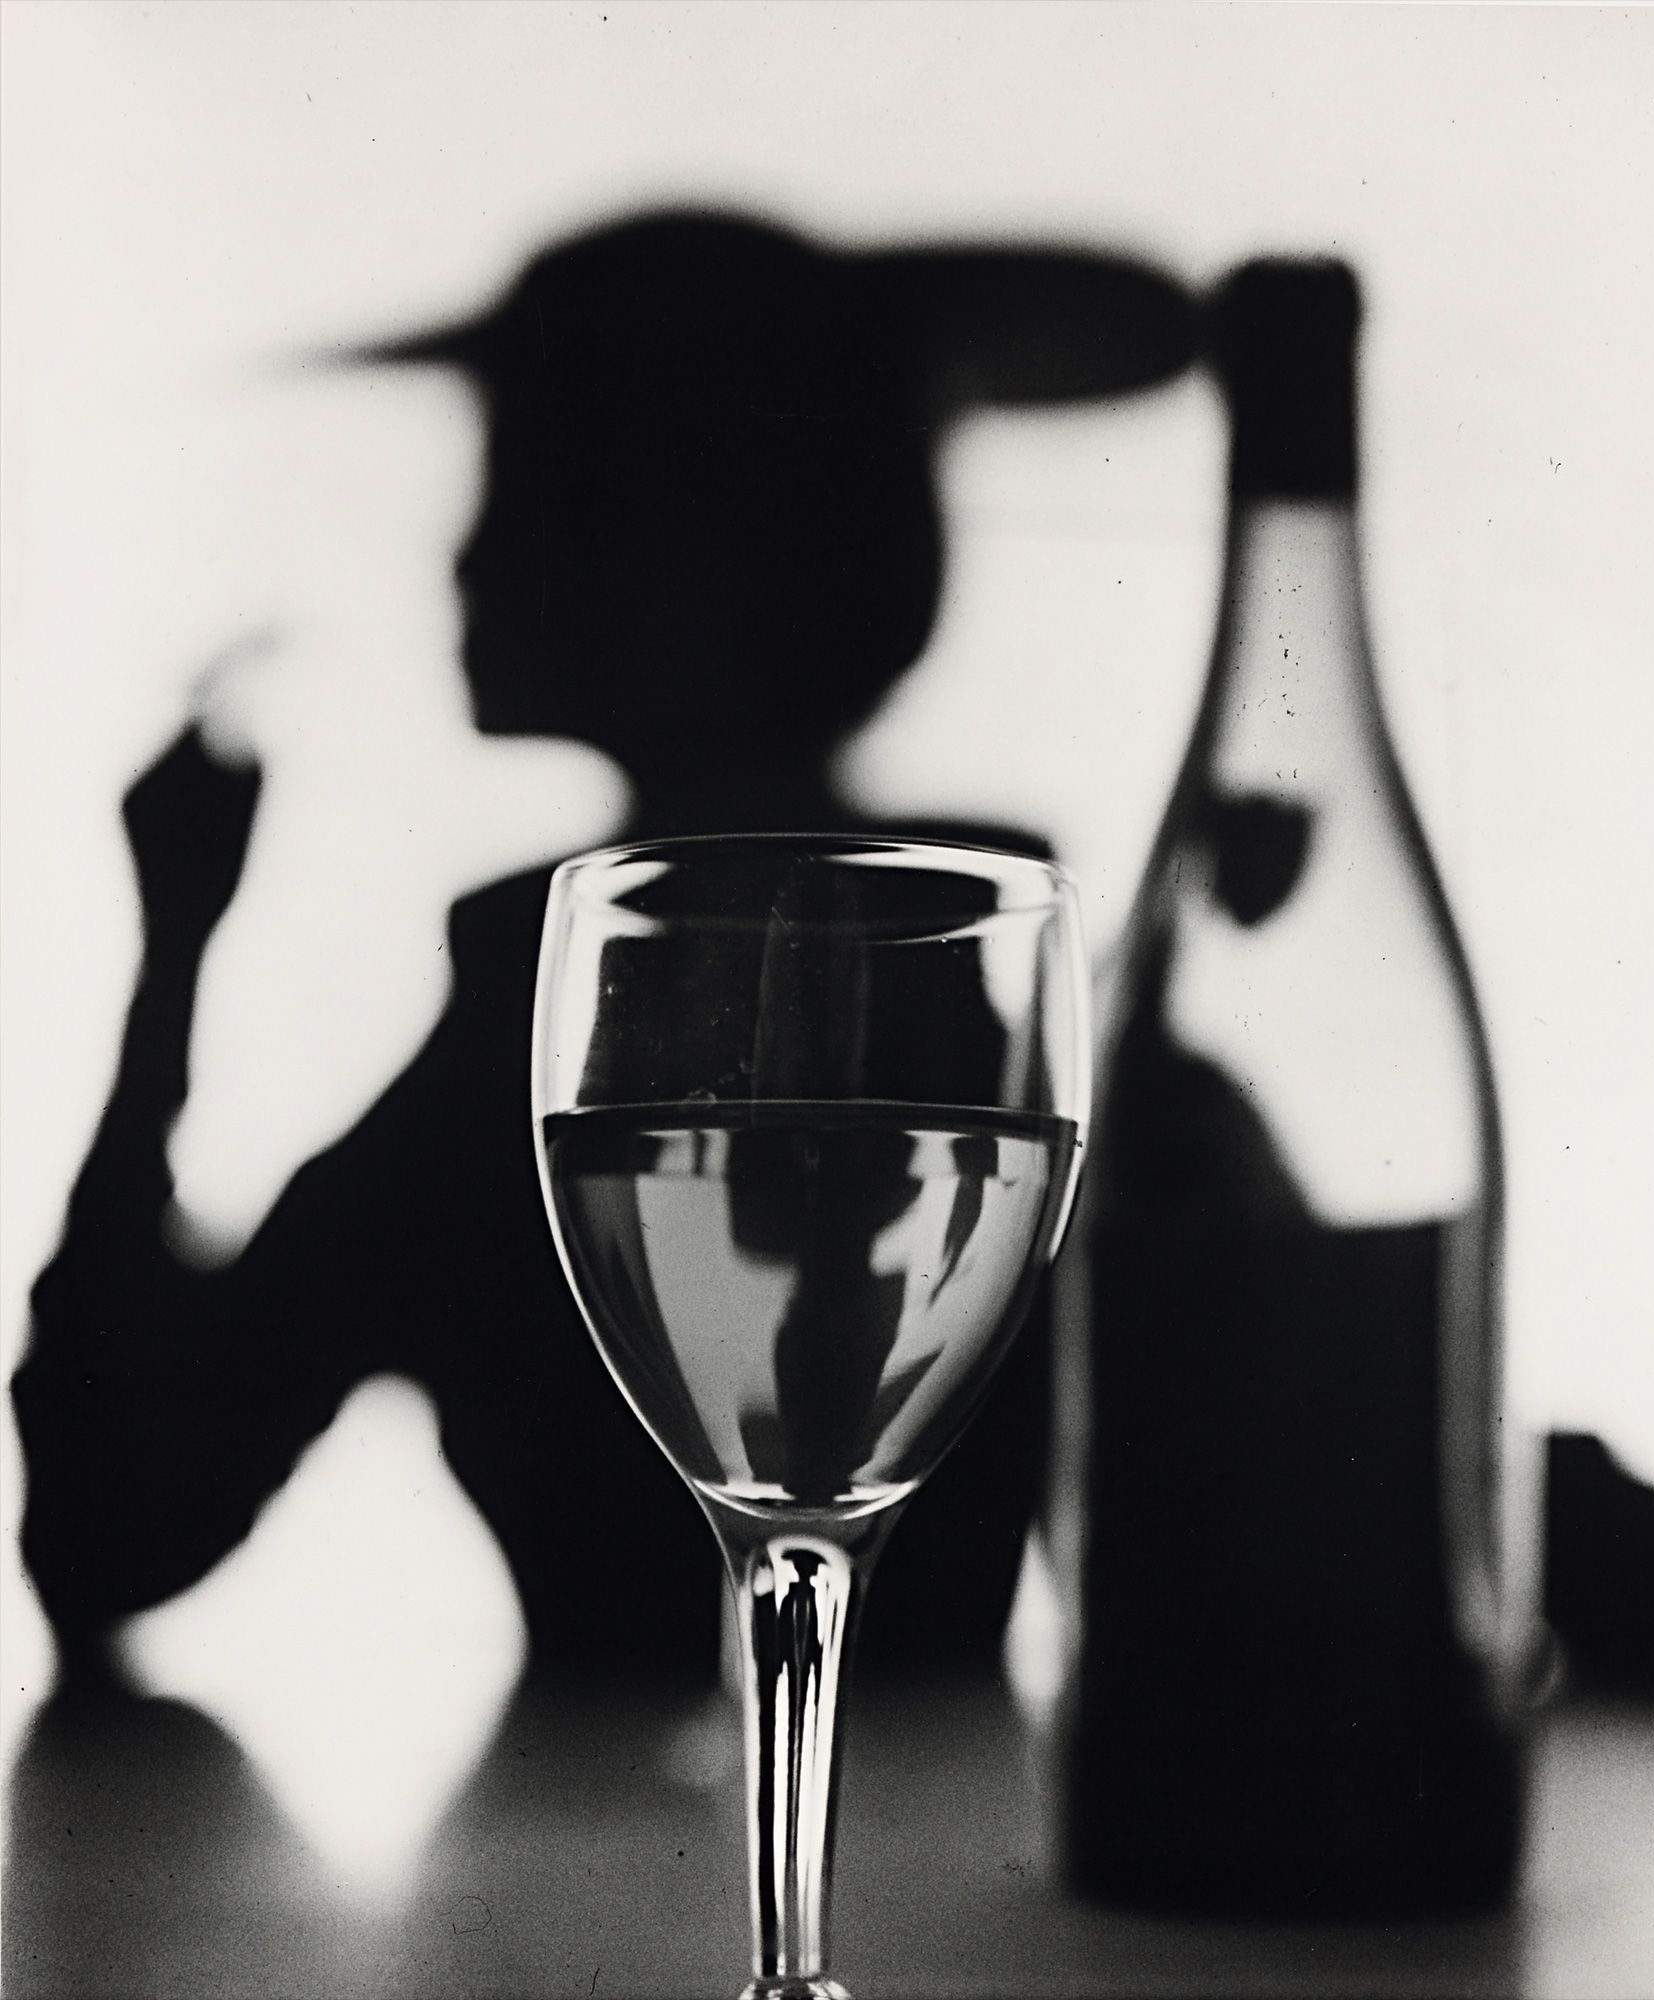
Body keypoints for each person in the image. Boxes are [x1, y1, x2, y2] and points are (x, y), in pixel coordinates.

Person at [11, 210, 1195, 1691]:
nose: (464, 556)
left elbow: (113, 1529)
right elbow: (109, 1533)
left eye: (530, 487)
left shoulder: (530, 1059)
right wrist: (173, 948)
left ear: (702, 542)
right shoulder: (1037, 1031)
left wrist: (173, 958)